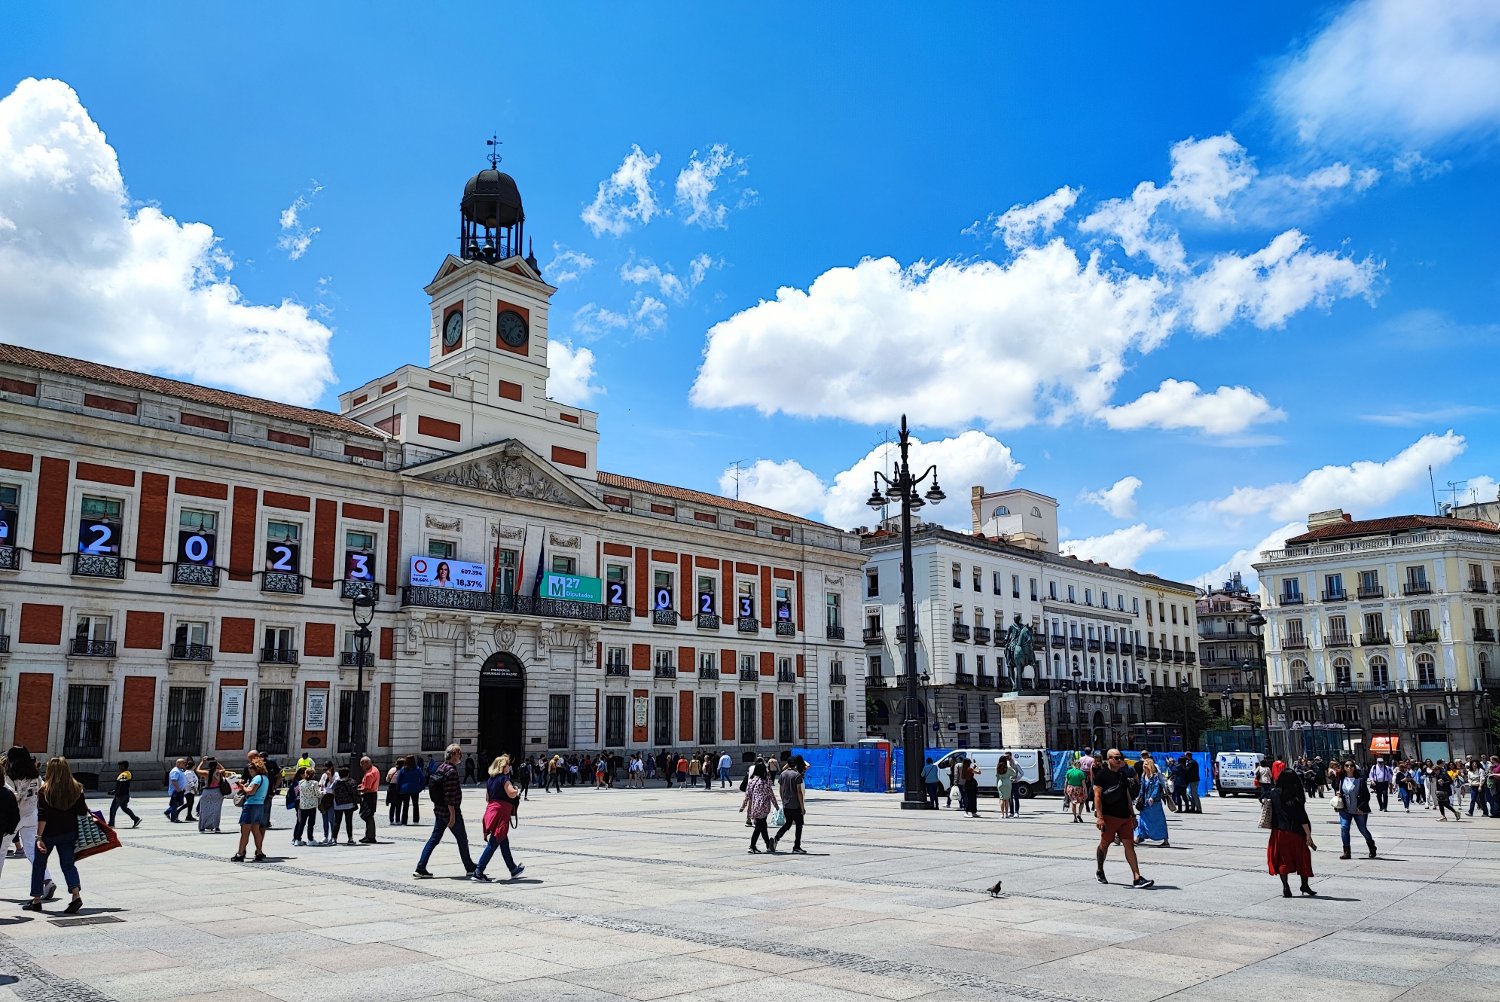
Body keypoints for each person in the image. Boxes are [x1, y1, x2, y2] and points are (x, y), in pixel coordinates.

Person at [24, 758, 87, 914]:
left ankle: (37, 900)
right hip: (69, 833)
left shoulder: (45, 791)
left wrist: (38, 837)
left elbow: (43, 817)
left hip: (49, 835)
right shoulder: (77, 788)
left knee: (39, 865)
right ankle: (76, 895)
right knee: (68, 865)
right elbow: (82, 812)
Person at [414, 744, 478, 878]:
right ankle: (470, 867)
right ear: (452, 755)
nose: (460, 756)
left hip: (439, 811)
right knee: (462, 839)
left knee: (434, 839)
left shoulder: (440, 767)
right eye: (458, 753)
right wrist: (453, 816)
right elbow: (449, 796)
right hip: (450, 812)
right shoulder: (451, 772)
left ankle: (421, 867)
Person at [1092, 749, 1153, 888]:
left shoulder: (1122, 774)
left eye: (1121, 757)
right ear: (1108, 759)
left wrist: (1132, 815)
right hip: (1109, 816)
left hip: (1124, 817)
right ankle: (1100, 870)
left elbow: (1127, 796)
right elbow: (1097, 797)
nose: (1119, 760)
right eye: (1116, 758)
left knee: (1129, 846)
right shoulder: (1102, 775)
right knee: (1105, 844)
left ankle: (1137, 878)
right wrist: (1100, 817)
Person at [6, 747, 55, 902]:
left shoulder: (10, 775)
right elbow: (42, 792)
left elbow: (9, 796)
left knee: (1, 852)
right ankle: (47, 880)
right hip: (31, 814)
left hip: (14, 817)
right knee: (32, 851)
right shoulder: (34, 775)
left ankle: (47, 881)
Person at [473, 755, 527, 882]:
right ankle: (478, 871)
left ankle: (513, 869)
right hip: (501, 814)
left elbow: (487, 798)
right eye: (508, 765)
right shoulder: (504, 779)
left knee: (503, 841)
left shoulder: (490, 780)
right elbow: (511, 793)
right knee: (493, 843)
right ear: (503, 767)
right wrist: (516, 790)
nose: (509, 767)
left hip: (491, 812)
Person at [1267, 768, 1317, 898]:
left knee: (1283, 860)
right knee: (1303, 858)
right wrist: (1309, 836)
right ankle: (1304, 885)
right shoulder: (1296, 797)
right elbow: (1303, 819)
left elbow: (1263, 798)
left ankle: (1286, 888)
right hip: (1296, 833)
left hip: (1279, 833)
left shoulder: (1274, 793)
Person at [1335, 760, 1377, 859]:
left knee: (1363, 829)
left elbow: (1366, 796)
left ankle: (1372, 846)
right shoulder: (1341, 779)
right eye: (1347, 765)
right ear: (1344, 767)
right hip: (1345, 809)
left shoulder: (1360, 780)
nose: (1349, 767)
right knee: (1344, 828)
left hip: (1359, 810)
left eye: (1351, 765)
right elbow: (1336, 788)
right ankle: (1347, 852)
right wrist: (1338, 793)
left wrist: (1361, 807)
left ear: (1354, 767)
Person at [231, 759, 269, 862]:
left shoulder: (256, 778)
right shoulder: (265, 778)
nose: (250, 772)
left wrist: (241, 786)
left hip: (251, 805)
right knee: (256, 831)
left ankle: (240, 853)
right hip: (260, 805)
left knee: (245, 831)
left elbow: (250, 792)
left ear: (256, 769)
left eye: (251, 770)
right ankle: (259, 851)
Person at [740, 761, 780, 853]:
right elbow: (771, 795)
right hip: (764, 807)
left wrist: (743, 806)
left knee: (763, 826)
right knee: (759, 827)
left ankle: (768, 845)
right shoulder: (766, 782)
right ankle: (752, 846)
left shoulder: (752, 781)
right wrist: (776, 806)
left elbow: (747, 795)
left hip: (755, 807)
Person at [773, 756, 808, 853]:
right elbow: (799, 792)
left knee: (788, 824)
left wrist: (783, 800)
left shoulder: (783, 774)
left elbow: (781, 789)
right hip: (796, 805)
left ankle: (777, 837)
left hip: (786, 805)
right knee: (799, 825)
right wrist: (802, 807)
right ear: (795, 764)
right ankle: (796, 847)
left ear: (788, 764)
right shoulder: (797, 775)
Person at [1133, 758, 1170, 848]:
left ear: (1150, 765)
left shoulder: (1155, 776)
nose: (1143, 766)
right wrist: (1139, 797)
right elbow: (1142, 788)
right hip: (1145, 803)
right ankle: (1137, 838)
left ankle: (1165, 840)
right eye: (1143, 765)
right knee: (1141, 820)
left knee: (1159, 821)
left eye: (1145, 764)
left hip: (1154, 803)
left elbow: (1156, 788)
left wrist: (1152, 797)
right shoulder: (1143, 775)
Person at [292, 768, 320, 846]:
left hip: (303, 805)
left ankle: (298, 839)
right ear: (313, 775)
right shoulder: (314, 783)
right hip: (312, 805)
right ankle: (310, 839)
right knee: (311, 823)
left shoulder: (301, 782)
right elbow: (317, 794)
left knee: (302, 822)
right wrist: (322, 792)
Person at [108, 761, 141, 829]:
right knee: (124, 808)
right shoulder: (128, 773)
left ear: (124, 766)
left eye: (120, 766)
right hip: (126, 795)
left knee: (113, 808)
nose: (119, 767)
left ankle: (111, 823)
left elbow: (121, 786)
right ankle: (135, 819)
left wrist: (115, 793)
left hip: (120, 796)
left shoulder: (124, 775)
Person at [357, 756, 380, 843]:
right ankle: (369, 835)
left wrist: (357, 789)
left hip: (369, 795)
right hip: (372, 795)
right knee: (368, 815)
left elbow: (367, 788)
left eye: (362, 764)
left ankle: (370, 836)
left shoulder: (370, 774)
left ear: (366, 763)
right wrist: (361, 785)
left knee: (367, 815)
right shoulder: (375, 769)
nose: (361, 766)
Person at [398, 757, 425, 825]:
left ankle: (404, 821)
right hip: (415, 788)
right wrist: (422, 787)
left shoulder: (403, 769)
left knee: (405, 805)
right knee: (415, 805)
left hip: (405, 789)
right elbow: (422, 778)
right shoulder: (417, 769)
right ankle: (416, 820)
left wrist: (398, 788)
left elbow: (399, 780)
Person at [165, 757, 189, 822]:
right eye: (183, 763)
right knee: (175, 804)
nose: (185, 764)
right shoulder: (175, 771)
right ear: (178, 763)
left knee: (181, 802)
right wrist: (178, 789)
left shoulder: (180, 770)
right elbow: (174, 781)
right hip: (176, 791)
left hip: (180, 790)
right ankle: (174, 818)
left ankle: (168, 811)